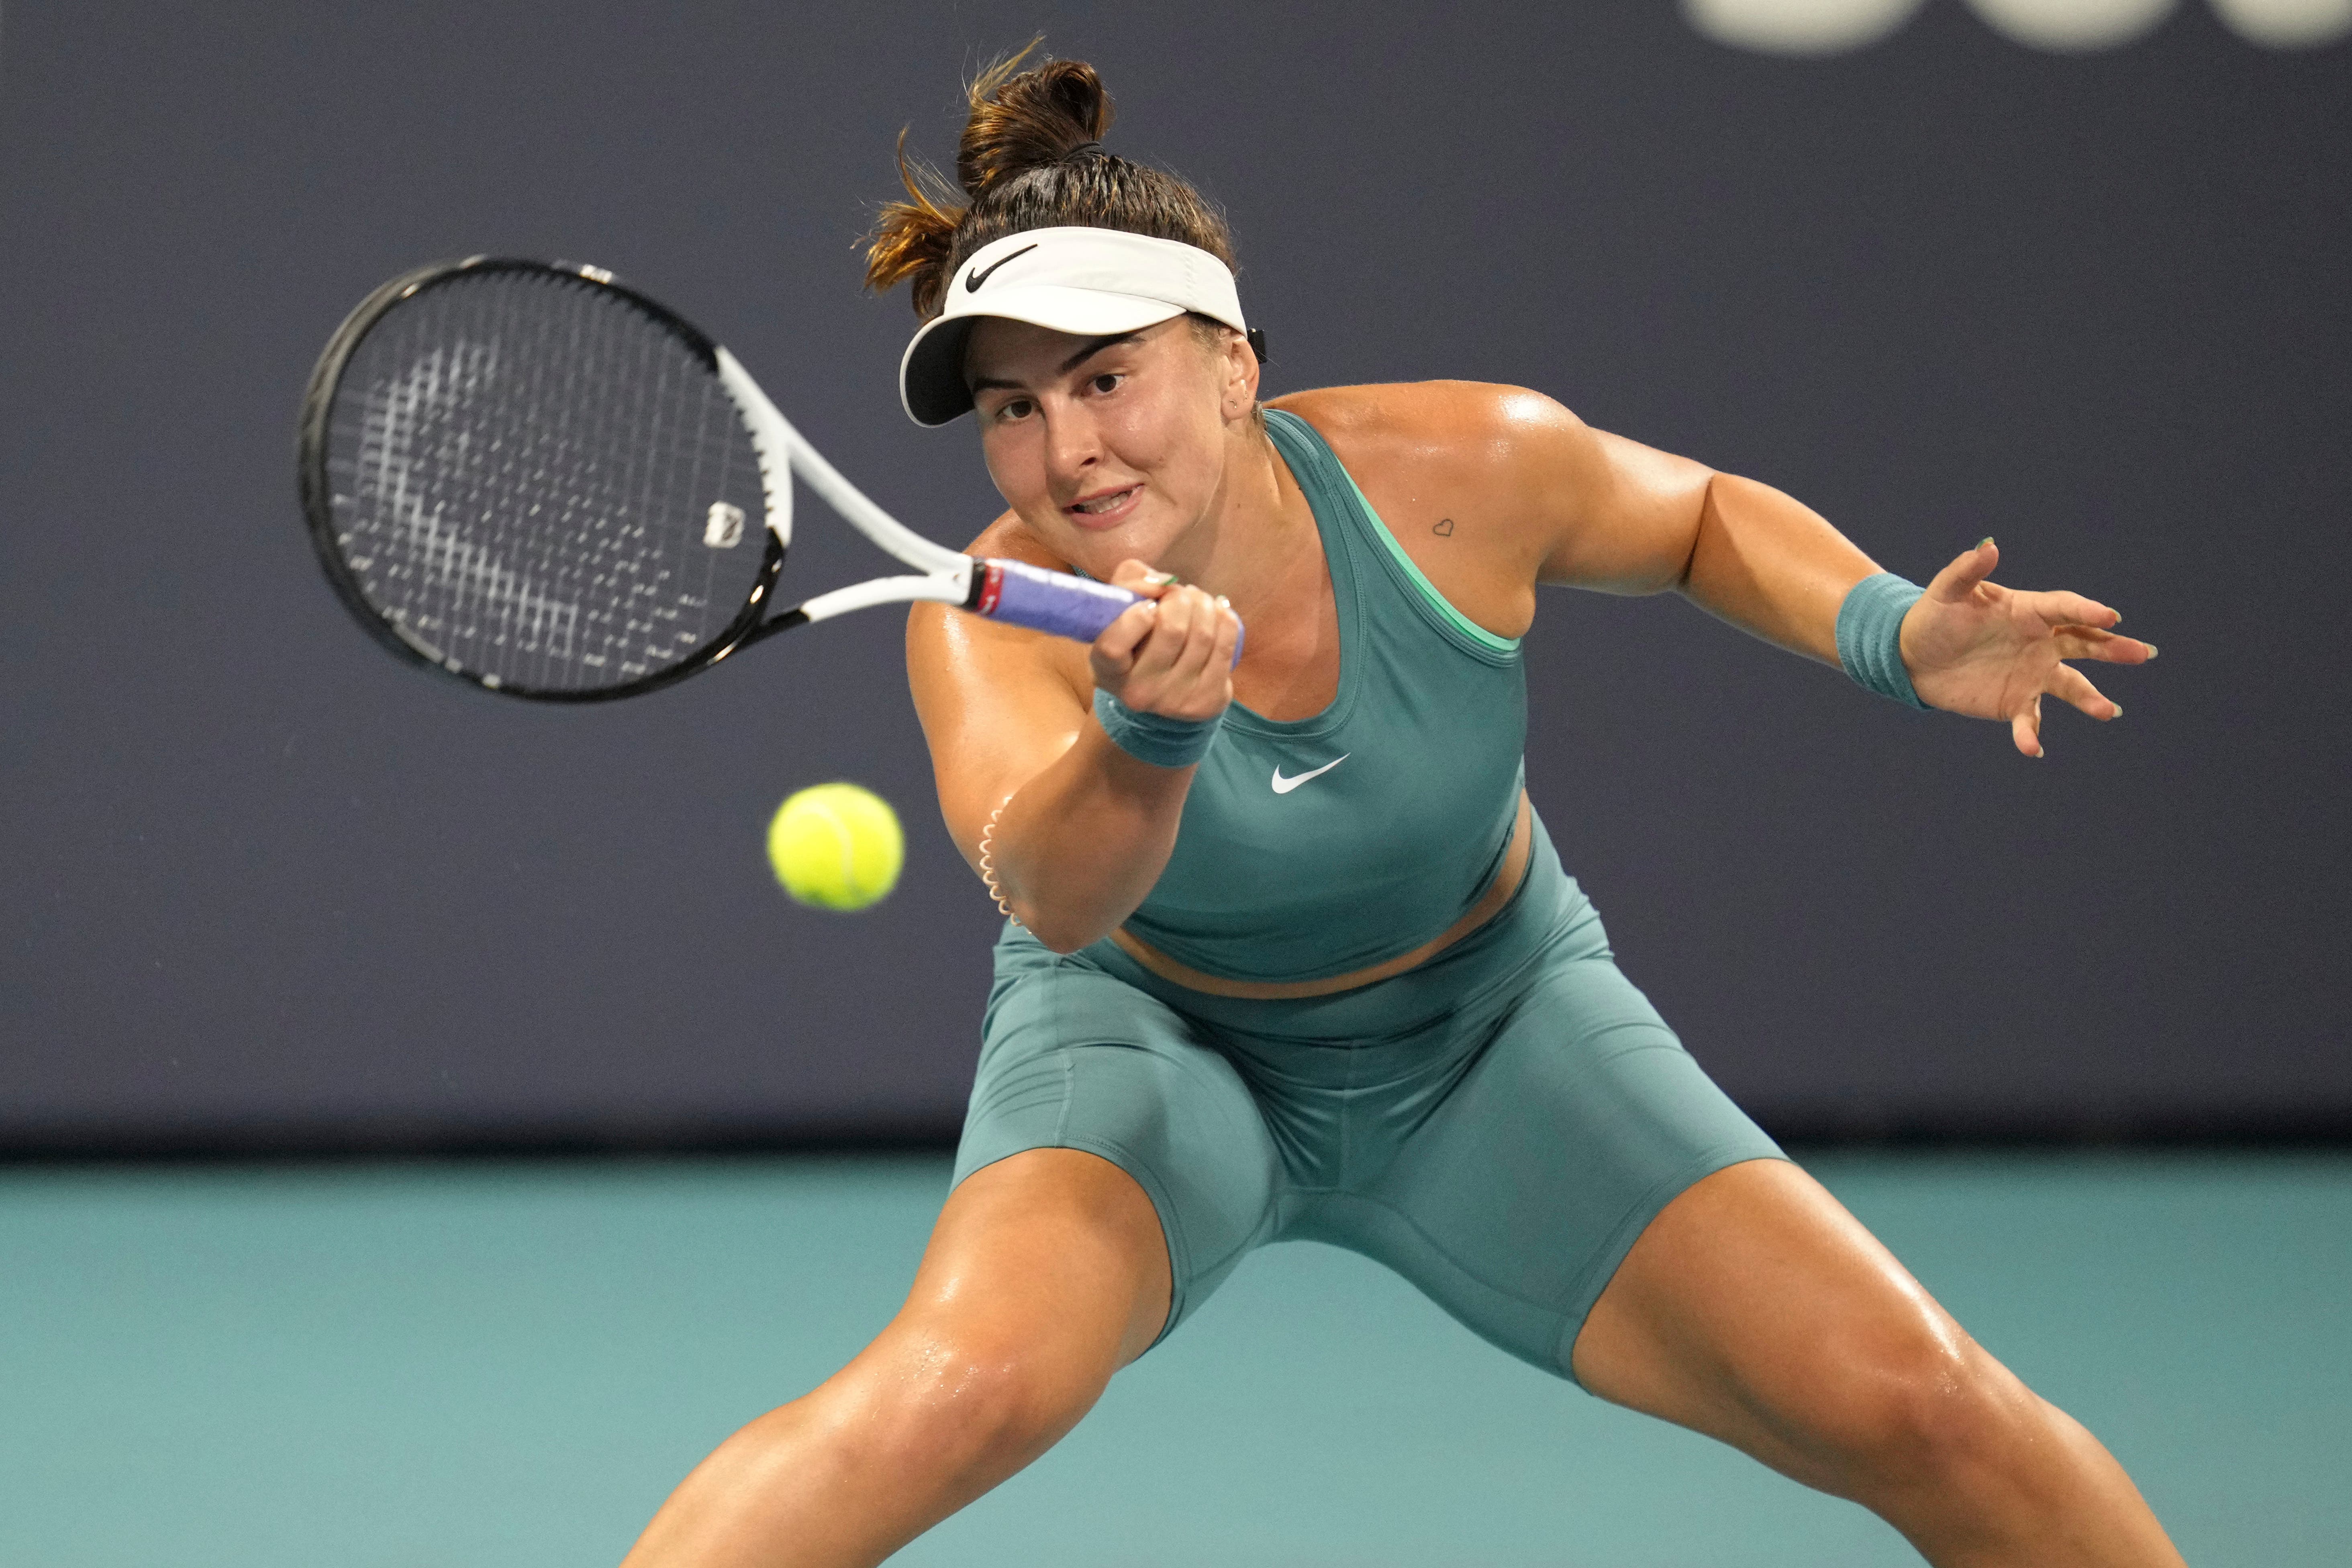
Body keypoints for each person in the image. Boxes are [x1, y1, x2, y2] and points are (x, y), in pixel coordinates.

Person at [621, 52, 2176, 1568]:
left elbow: (1698, 518)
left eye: (1107, 378)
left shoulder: (1460, 472)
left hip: (1496, 1028)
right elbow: (1056, 894)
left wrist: (1890, 630)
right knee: (945, 1400)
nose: (1067, 447)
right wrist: (1147, 741)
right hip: (1155, 1054)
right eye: (1014, 408)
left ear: (1234, 366)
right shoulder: (984, 618)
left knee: (1933, 1413)